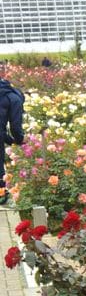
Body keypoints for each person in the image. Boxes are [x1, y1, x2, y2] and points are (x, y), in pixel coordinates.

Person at [0, 65, 26, 206]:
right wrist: (20, 140)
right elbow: (15, 127)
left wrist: (10, 141)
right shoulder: (14, 98)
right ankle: (1, 194)